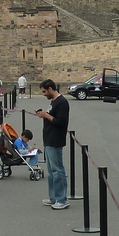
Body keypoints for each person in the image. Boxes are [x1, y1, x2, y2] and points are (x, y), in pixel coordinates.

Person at [33, 79, 70, 209]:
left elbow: (61, 122)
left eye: (44, 91)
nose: (43, 94)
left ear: (50, 89)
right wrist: (44, 115)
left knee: (57, 170)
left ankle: (62, 199)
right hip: (49, 139)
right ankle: (53, 197)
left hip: (55, 140)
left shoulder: (62, 102)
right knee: (51, 171)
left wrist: (46, 115)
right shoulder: (53, 102)